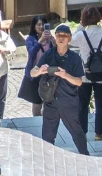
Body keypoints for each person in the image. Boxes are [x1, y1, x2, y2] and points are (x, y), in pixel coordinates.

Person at [33, 22, 89, 155]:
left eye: (64, 35)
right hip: (50, 101)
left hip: (68, 102)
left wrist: (65, 75)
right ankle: (47, 160)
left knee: (77, 132)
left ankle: (85, 156)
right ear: (55, 37)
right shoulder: (49, 54)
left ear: (69, 38)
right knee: (47, 137)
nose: (61, 38)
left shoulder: (74, 58)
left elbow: (79, 82)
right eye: (58, 35)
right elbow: (32, 72)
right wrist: (40, 71)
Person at [70, 7, 102, 139]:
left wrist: (80, 25)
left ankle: (82, 133)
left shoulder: (81, 35)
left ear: (83, 19)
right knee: (100, 104)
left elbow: (70, 40)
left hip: (85, 76)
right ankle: (98, 134)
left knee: (82, 104)